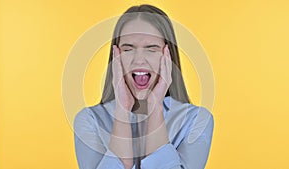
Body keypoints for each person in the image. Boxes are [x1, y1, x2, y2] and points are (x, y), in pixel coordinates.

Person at [74, 4, 214, 169]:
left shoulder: (197, 120)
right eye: (128, 49)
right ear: (115, 58)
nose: (139, 60)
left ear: (168, 57)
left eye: (151, 49)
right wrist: (122, 110)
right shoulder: (89, 120)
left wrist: (156, 109)